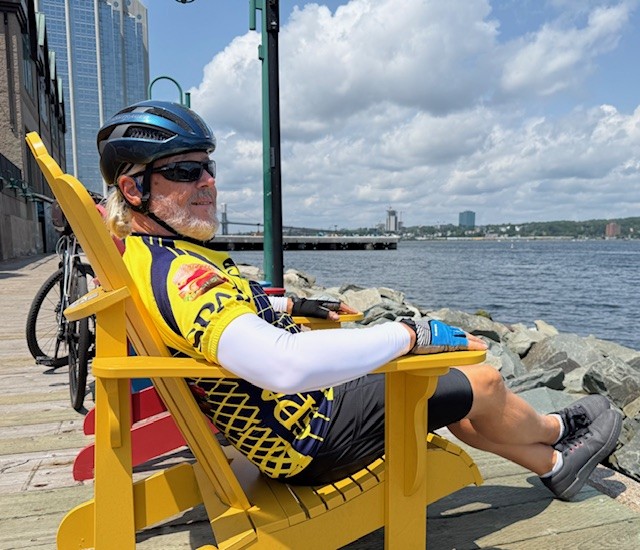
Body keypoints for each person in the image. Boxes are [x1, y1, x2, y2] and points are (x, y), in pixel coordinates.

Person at [97, 100, 621, 501]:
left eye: (208, 167)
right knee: (481, 380)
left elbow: (231, 319)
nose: (208, 183)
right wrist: (407, 333)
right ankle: (561, 428)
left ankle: (554, 465)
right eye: (185, 171)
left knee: (450, 390)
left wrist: (293, 308)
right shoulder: (182, 276)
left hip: (295, 419)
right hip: (307, 436)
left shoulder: (153, 256)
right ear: (135, 189)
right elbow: (282, 364)